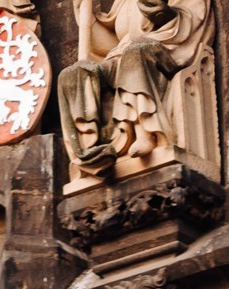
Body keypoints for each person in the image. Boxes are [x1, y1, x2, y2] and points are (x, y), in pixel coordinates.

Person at [56, 0, 213, 190]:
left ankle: (145, 133)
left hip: (166, 49)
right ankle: (91, 150)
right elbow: (108, 44)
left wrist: (161, 13)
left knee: (134, 53)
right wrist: (87, 15)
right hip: (119, 58)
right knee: (73, 75)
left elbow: (190, 22)